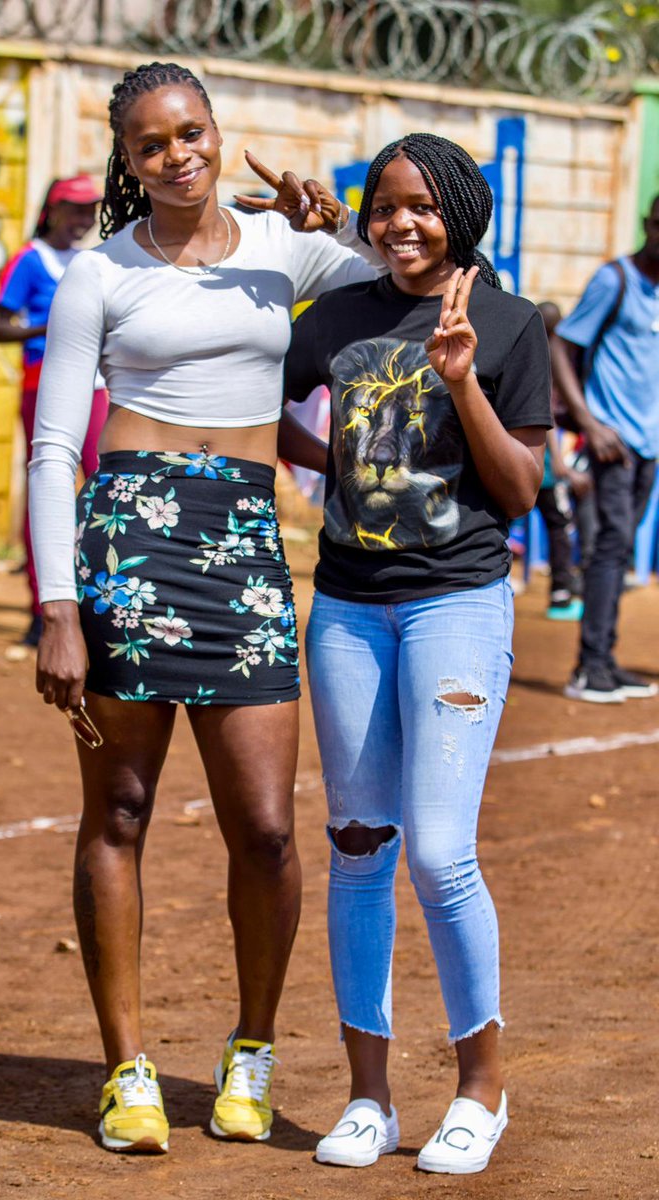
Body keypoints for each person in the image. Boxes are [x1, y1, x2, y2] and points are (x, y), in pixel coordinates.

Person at [28, 61, 385, 1155]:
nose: (177, 155)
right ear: (126, 163)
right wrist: (56, 606)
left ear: (220, 131)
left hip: (243, 540)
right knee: (121, 813)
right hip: (129, 538)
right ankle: (125, 1068)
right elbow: (52, 449)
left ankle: (252, 1050)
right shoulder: (100, 273)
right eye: (151, 144)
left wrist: (338, 213)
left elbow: (412, 263)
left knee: (267, 829)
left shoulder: (287, 248)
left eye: (191, 133)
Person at [282, 133, 551, 1174]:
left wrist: (461, 380)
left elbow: (520, 490)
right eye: (385, 205)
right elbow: (256, 403)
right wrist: (333, 461)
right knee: (357, 846)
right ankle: (366, 1097)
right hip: (346, 608)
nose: (402, 223)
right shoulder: (335, 319)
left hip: (455, 607)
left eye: (424, 206)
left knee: (439, 853)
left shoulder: (506, 322)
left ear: (461, 213)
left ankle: (480, 1090)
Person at [551, 195, 659, 702]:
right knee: (610, 546)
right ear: (646, 224)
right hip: (613, 440)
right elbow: (561, 346)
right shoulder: (614, 281)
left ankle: (606, 662)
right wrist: (591, 423)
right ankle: (589, 667)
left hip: (649, 445)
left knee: (621, 547)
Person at [0, 175, 109, 647]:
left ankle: (106, 599)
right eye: (75, 210)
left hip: (99, 385)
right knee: (50, 481)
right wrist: (61, 322)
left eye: (90, 210)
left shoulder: (95, 259)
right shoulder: (29, 258)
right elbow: (1, 325)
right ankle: (40, 607)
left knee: (105, 485)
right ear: (52, 210)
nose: (83, 219)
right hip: (43, 382)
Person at [535, 301, 590, 620]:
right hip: (542, 465)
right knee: (559, 525)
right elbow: (548, 419)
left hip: (515, 462)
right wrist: (559, 462)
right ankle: (560, 594)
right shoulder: (551, 359)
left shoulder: (520, 349)